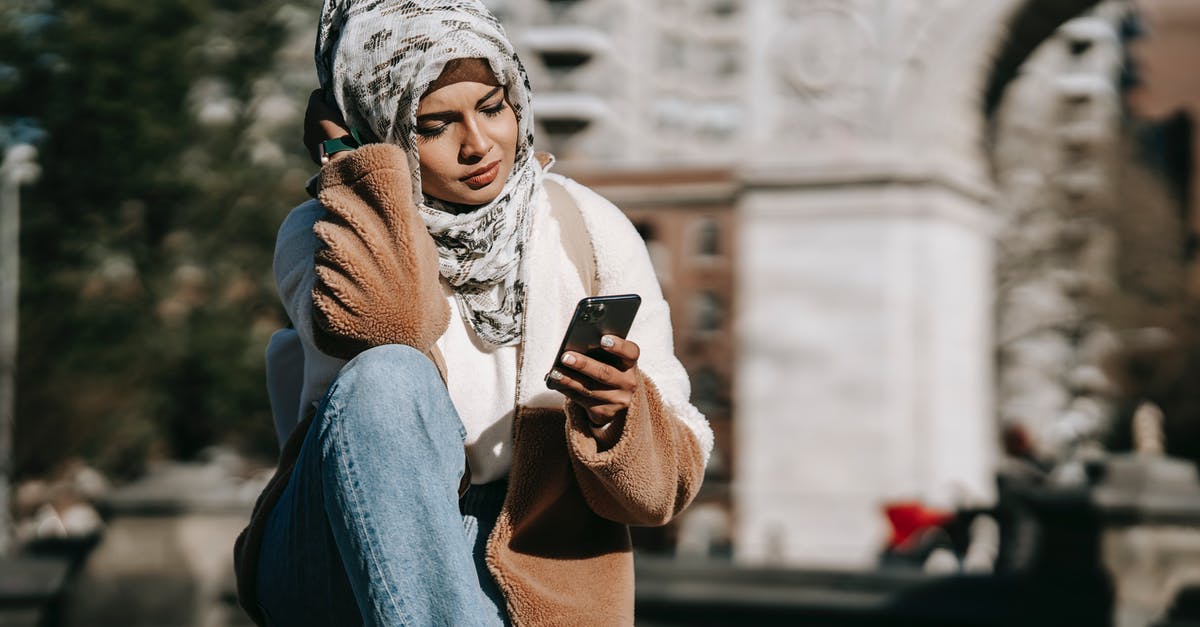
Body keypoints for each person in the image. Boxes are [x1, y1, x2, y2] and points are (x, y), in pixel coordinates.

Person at [233, 1, 712, 625]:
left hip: (537, 556)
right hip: (337, 538)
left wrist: (618, 418)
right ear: (380, 126)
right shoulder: (323, 227)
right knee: (389, 376)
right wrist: (355, 168)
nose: (479, 144)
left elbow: (660, 498)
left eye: (492, 107)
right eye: (433, 126)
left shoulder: (589, 226)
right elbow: (387, 329)